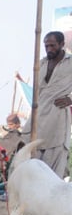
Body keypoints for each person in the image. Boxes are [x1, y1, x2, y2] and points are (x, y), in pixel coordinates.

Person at [32, 31, 72, 179]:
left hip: (58, 118)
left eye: (52, 45)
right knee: (33, 163)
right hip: (39, 117)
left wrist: (71, 99)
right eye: (46, 46)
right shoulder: (41, 64)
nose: (49, 49)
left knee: (54, 170)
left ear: (62, 44)